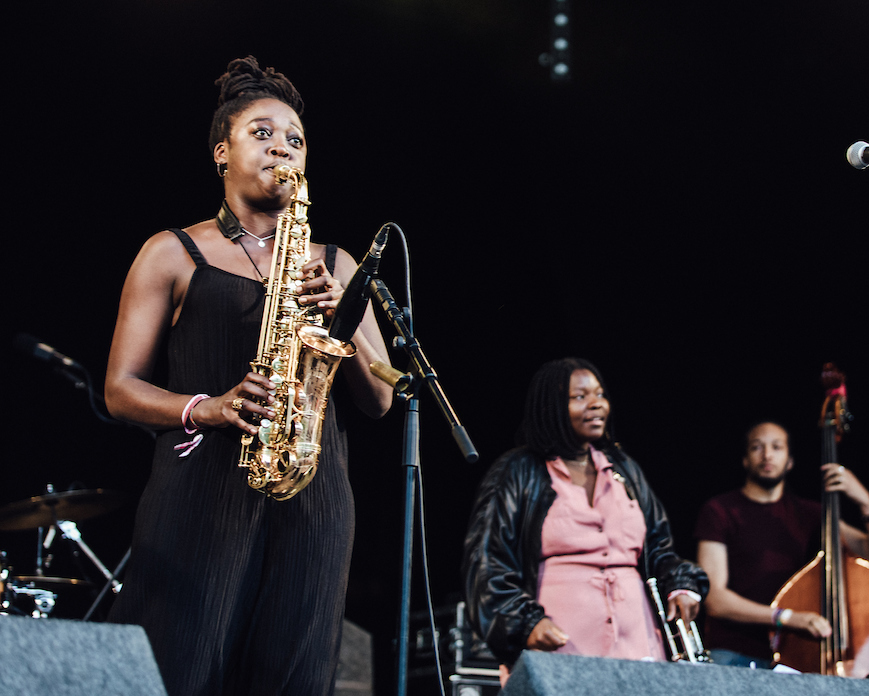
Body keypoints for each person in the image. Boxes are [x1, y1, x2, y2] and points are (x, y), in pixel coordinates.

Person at [104, 56, 393, 696]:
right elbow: (119, 390)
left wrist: (339, 315)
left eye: (295, 139)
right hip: (202, 492)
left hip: (311, 492)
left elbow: (379, 398)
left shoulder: (337, 262)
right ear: (220, 152)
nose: (282, 148)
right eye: (262, 133)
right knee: (180, 665)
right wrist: (205, 408)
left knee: (294, 675)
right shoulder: (171, 251)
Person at [462, 357, 708, 678]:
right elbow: (486, 563)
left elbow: (659, 548)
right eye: (580, 397)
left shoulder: (624, 469)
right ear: (551, 406)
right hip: (560, 650)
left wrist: (681, 585)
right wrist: (525, 623)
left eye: (600, 394)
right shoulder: (518, 471)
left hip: (640, 649)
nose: (597, 404)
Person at [694, 421, 869, 667]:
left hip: (792, 657)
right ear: (745, 460)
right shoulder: (720, 510)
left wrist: (865, 501)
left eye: (776, 447)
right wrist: (787, 618)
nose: (767, 454)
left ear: (790, 461)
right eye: (757, 447)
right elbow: (715, 599)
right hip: (732, 652)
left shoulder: (810, 514)